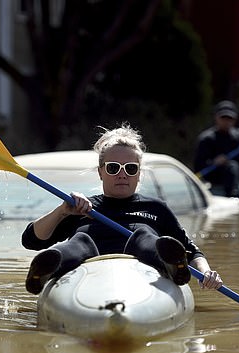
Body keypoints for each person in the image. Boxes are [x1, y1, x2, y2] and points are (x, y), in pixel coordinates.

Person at [21, 123, 223, 295]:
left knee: (143, 235)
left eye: (130, 168)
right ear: (101, 172)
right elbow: (31, 240)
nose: (122, 174)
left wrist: (206, 272)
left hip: (142, 264)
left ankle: (169, 265)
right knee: (81, 240)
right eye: (113, 168)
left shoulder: (156, 208)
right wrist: (62, 211)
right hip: (87, 265)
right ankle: (46, 269)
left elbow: (191, 252)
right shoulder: (80, 207)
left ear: (138, 174)